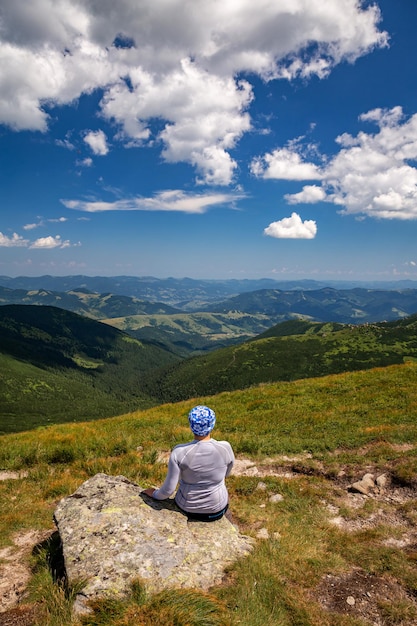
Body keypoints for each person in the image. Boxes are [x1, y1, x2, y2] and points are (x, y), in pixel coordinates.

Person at [143, 405, 234, 522]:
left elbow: (168, 491)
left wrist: (154, 494)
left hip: (189, 509)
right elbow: (227, 474)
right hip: (219, 509)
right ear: (213, 424)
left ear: (191, 426)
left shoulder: (179, 452)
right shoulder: (225, 447)